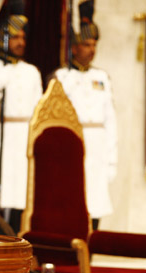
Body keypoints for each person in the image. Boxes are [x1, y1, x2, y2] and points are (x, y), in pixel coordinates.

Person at [0, 13, 42, 232]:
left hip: (24, 138)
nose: (21, 42)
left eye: (23, 37)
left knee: (21, 197)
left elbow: (39, 114)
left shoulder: (31, 72)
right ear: (1, 39)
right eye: (14, 37)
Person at [51, 20, 117, 231]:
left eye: (94, 45)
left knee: (95, 202)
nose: (92, 50)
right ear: (74, 47)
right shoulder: (61, 76)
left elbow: (110, 121)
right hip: (71, 145)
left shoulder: (101, 78)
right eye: (87, 44)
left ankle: (88, 255)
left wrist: (111, 159)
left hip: (97, 148)